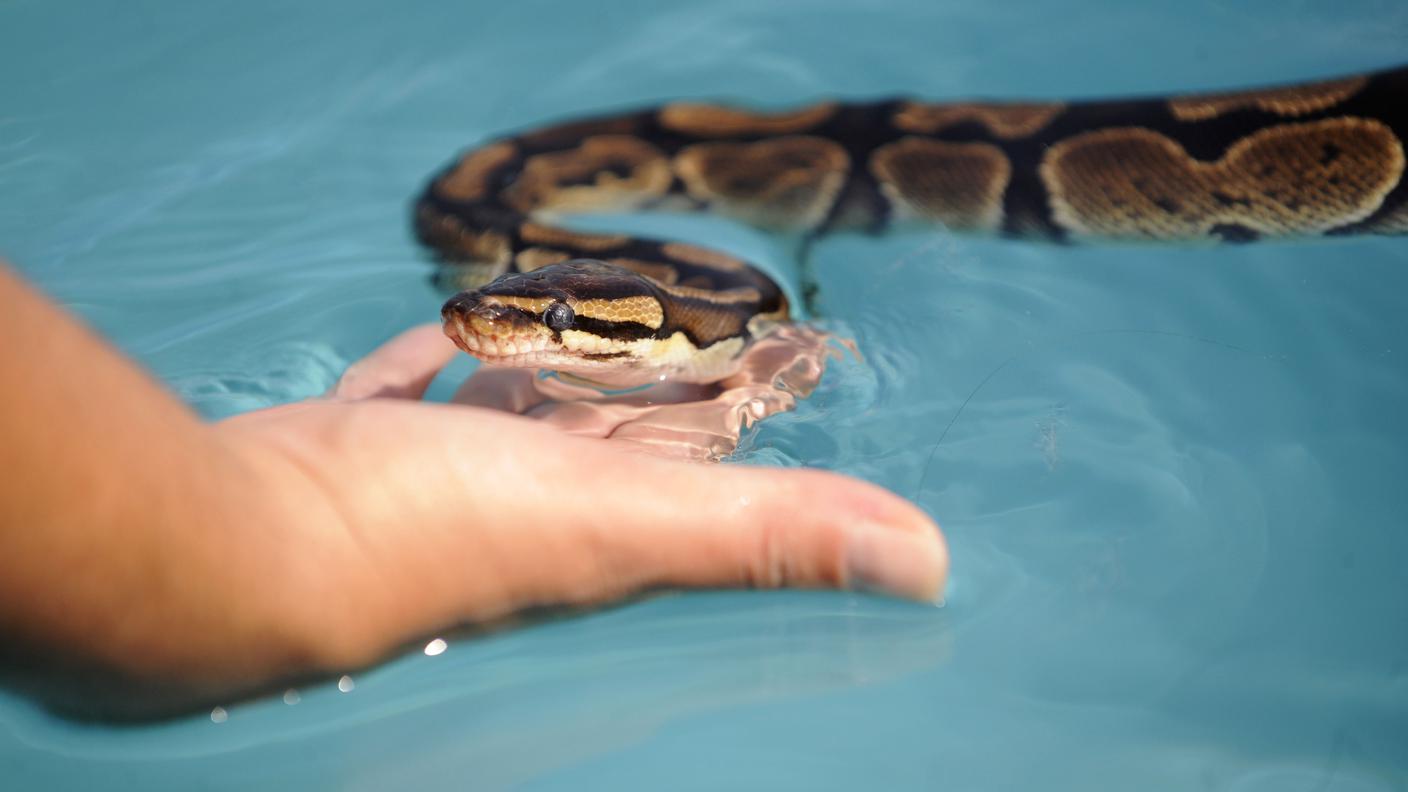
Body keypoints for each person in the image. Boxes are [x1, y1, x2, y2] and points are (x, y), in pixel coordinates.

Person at [0, 262, 947, 714]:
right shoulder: (657, 315)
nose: (479, 320)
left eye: (561, 319)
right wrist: (283, 546)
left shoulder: (734, 328)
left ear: (649, 332)